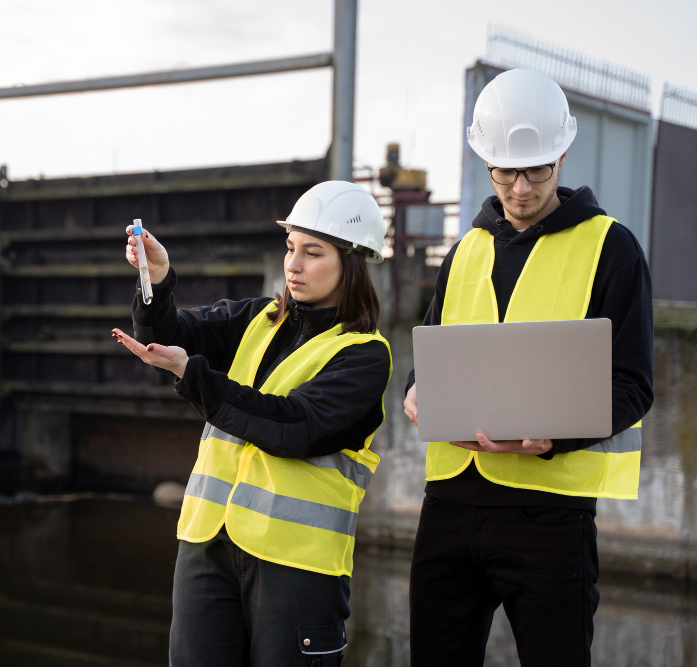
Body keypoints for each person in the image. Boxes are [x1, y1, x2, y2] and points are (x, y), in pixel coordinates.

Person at [403, 69, 654, 666]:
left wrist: (555, 436)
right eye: (504, 171)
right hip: (451, 506)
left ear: (562, 156)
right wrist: (418, 391)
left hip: (550, 517)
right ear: (485, 163)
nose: (519, 187)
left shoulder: (611, 248)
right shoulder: (463, 251)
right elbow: (433, 355)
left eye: (536, 169)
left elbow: (635, 385)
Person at [111, 181, 392, 667]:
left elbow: (293, 427)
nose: (294, 265)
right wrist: (154, 280)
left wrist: (189, 372)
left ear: (353, 260)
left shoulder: (364, 356)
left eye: (313, 252)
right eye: (289, 248)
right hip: (207, 546)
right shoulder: (255, 319)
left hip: (296, 566)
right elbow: (170, 335)